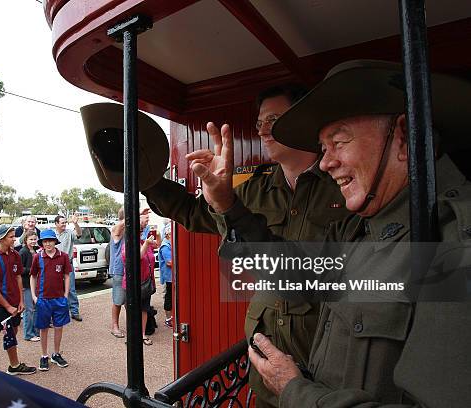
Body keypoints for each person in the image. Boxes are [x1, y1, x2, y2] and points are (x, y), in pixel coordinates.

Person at [195, 60, 471, 407]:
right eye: (324, 148)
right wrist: (225, 204)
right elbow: (290, 271)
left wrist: (296, 391)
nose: (325, 163)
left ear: (405, 137)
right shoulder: (358, 230)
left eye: (338, 142)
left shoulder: (455, 245)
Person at [141, 85, 349, 406]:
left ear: (304, 120)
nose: (263, 130)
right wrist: (146, 176)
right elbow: (194, 213)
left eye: (273, 120)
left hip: (326, 373)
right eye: (259, 123)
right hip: (264, 369)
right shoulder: (254, 191)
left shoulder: (344, 188)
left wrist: (228, 204)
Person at [0, 224, 36, 375]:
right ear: (1, 238)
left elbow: (18, 277)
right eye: (11, 237)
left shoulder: (15, 255)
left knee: (11, 332)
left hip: (14, 304)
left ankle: (14, 365)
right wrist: (7, 306)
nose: (14, 239)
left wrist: (20, 301)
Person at [30, 229, 72, 371]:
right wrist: (34, 296)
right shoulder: (38, 257)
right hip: (43, 298)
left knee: (59, 327)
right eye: (45, 241)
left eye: (50, 240)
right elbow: (33, 276)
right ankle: (44, 355)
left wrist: (66, 295)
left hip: (59, 298)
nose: (48, 244)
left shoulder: (63, 256)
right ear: (41, 243)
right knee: (43, 328)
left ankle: (56, 353)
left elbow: (67, 276)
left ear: (55, 241)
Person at [122, 211, 159, 346]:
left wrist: (156, 237)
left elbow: (156, 246)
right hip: (132, 284)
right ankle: (131, 336)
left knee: (144, 309)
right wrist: (146, 244)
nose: (141, 232)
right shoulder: (127, 244)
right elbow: (137, 257)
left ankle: (142, 334)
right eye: (139, 230)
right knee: (131, 310)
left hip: (145, 283)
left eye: (141, 230)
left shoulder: (144, 241)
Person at [53, 215, 82, 321]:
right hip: (54, 266)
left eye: (65, 222)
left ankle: (74, 311)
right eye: (62, 222)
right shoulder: (52, 234)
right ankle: (58, 312)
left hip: (67, 265)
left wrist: (75, 223)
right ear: (56, 224)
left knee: (71, 289)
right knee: (56, 289)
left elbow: (79, 234)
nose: (64, 224)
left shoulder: (69, 233)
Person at [19, 230, 40, 342]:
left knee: (36, 308)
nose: (33, 241)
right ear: (26, 240)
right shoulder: (23, 252)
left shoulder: (37, 251)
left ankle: (35, 331)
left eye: (34, 239)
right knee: (29, 309)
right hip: (26, 284)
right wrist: (31, 270)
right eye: (30, 239)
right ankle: (28, 333)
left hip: (35, 284)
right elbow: (19, 269)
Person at [109, 207, 126, 338]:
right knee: (118, 300)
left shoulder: (129, 229)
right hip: (119, 270)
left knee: (128, 300)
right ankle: (114, 326)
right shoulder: (117, 230)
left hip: (128, 270)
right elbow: (119, 226)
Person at [158, 224, 173, 328]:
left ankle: (171, 317)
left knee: (171, 296)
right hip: (169, 277)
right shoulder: (165, 246)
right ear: (168, 234)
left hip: (172, 277)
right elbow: (169, 262)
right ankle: (168, 319)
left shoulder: (169, 244)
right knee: (169, 297)